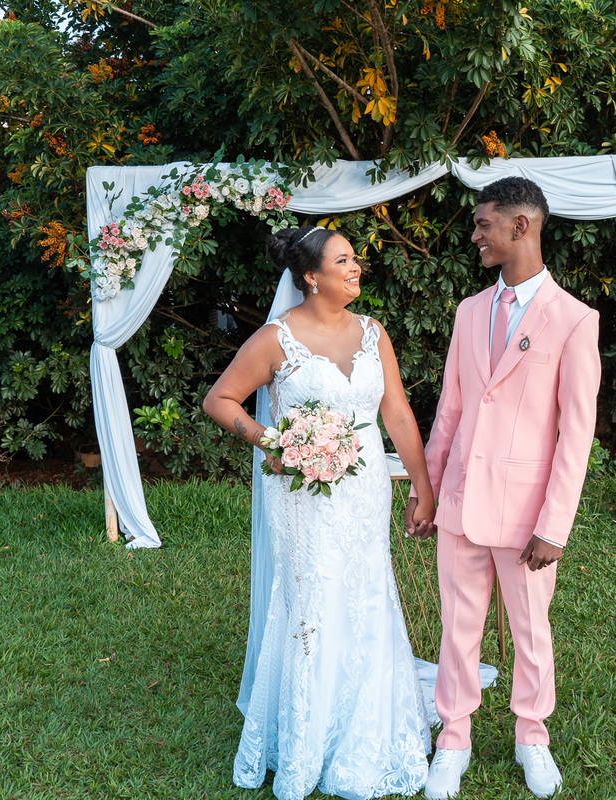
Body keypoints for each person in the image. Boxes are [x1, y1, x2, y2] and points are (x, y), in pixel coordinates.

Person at [203, 225, 437, 800]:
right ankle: (308, 736)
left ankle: (368, 728)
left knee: (366, 594)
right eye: (343, 261)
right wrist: (272, 443)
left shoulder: (373, 333)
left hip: (364, 492)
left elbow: (399, 415)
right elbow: (219, 399)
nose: (356, 268)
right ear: (311, 277)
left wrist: (423, 486)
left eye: (355, 259)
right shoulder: (276, 339)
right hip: (303, 498)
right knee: (313, 599)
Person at [407, 177, 602, 799]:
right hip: (462, 501)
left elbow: (577, 433)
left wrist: (555, 524)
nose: (475, 235)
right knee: (456, 625)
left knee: (529, 628)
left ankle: (531, 736)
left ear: (521, 226)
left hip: (527, 515)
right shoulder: (469, 312)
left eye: (484, 224)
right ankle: (453, 739)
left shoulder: (573, 321)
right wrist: (428, 487)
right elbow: (451, 409)